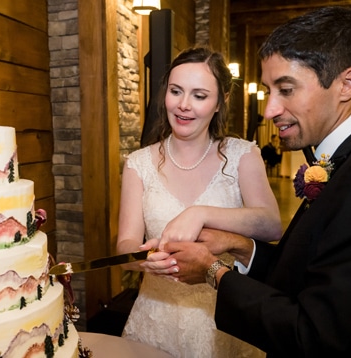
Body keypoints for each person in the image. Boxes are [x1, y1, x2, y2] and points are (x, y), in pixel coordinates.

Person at [144, 7, 351, 357]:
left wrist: (212, 272)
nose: (269, 110)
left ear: (347, 84)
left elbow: (317, 335)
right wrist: (239, 246)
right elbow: (309, 273)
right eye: (269, 90)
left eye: (286, 89)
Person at [116, 48, 282, 357]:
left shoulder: (242, 156)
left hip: (225, 319)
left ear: (220, 102)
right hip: (156, 318)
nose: (183, 105)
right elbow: (124, 245)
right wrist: (143, 260)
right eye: (176, 91)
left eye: (199, 95)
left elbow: (272, 224)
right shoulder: (138, 163)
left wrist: (201, 213)